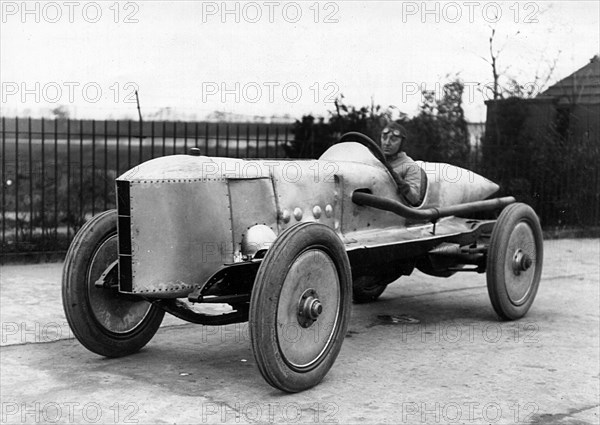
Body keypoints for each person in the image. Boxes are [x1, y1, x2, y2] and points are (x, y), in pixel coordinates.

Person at [380, 122, 422, 206]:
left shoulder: (410, 166)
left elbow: (415, 199)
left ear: (402, 143)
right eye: (384, 138)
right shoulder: (373, 159)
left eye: (393, 139)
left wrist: (398, 180)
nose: (387, 143)